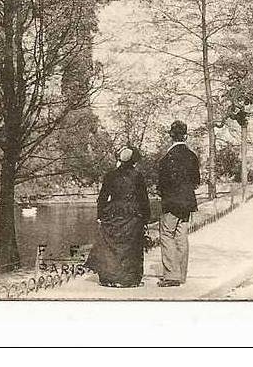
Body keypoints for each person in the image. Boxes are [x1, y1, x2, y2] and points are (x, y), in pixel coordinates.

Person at [86, 147, 151, 288]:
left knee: (111, 245)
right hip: (132, 212)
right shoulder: (137, 176)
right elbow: (143, 199)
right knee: (131, 246)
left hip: (114, 210)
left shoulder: (111, 175)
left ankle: (110, 277)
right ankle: (129, 279)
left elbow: (102, 197)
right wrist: (146, 218)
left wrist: (100, 215)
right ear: (134, 161)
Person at [156, 120, 200, 287]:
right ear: (186, 136)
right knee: (181, 236)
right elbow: (196, 182)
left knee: (167, 235)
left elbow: (161, 186)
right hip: (187, 202)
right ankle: (181, 274)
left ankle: (171, 275)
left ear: (170, 136)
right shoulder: (192, 156)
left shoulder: (166, 159)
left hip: (171, 203)